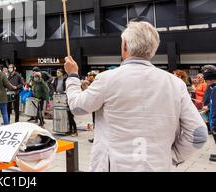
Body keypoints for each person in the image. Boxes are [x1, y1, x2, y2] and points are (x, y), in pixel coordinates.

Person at [64, 21, 207, 172]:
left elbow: (77, 107)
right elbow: (199, 133)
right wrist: (172, 157)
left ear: (124, 45)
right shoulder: (175, 84)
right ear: (153, 49)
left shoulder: (107, 79)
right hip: (157, 166)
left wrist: (73, 76)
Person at [53, 68, 77, 135]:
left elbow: (69, 88)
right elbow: (53, 86)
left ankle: (74, 130)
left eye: (58, 72)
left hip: (67, 98)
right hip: (59, 98)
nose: (57, 74)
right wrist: (54, 91)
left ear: (62, 73)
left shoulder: (66, 80)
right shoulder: (55, 79)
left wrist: (66, 92)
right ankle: (68, 129)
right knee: (65, 115)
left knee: (70, 116)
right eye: (57, 72)